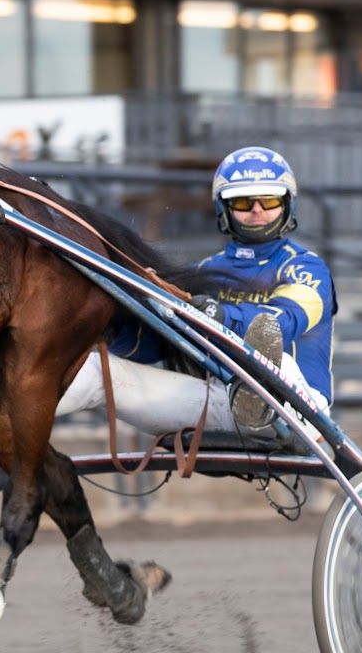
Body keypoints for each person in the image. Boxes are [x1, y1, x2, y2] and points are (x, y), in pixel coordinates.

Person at [56, 146, 337, 444]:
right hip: (216, 401)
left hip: (298, 410)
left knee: (275, 357)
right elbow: (159, 349)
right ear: (223, 209)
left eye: (268, 201)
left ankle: (258, 401)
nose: (257, 210)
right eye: (242, 202)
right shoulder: (204, 271)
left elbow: (284, 321)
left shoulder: (307, 268)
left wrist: (220, 316)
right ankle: (10, 415)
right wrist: (115, 327)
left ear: (287, 205)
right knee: (97, 368)